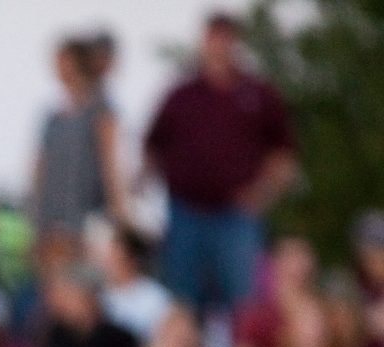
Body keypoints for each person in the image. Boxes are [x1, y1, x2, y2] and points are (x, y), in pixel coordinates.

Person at [143, 13, 294, 320]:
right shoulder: (181, 95)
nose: (219, 46)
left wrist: (264, 193)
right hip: (185, 215)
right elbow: (153, 145)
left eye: (226, 38)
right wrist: (148, 188)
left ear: (237, 43)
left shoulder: (259, 94)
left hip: (236, 217)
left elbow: (283, 153)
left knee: (244, 304)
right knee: (183, 305)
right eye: (213, 38)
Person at [28, 35, 124, 272]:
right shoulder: (53, 118)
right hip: (52, 219)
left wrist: (119, 214)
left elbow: (110, 164)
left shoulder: (100, 110)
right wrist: (35, 218)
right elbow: (40, 168)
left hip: (87, 218)